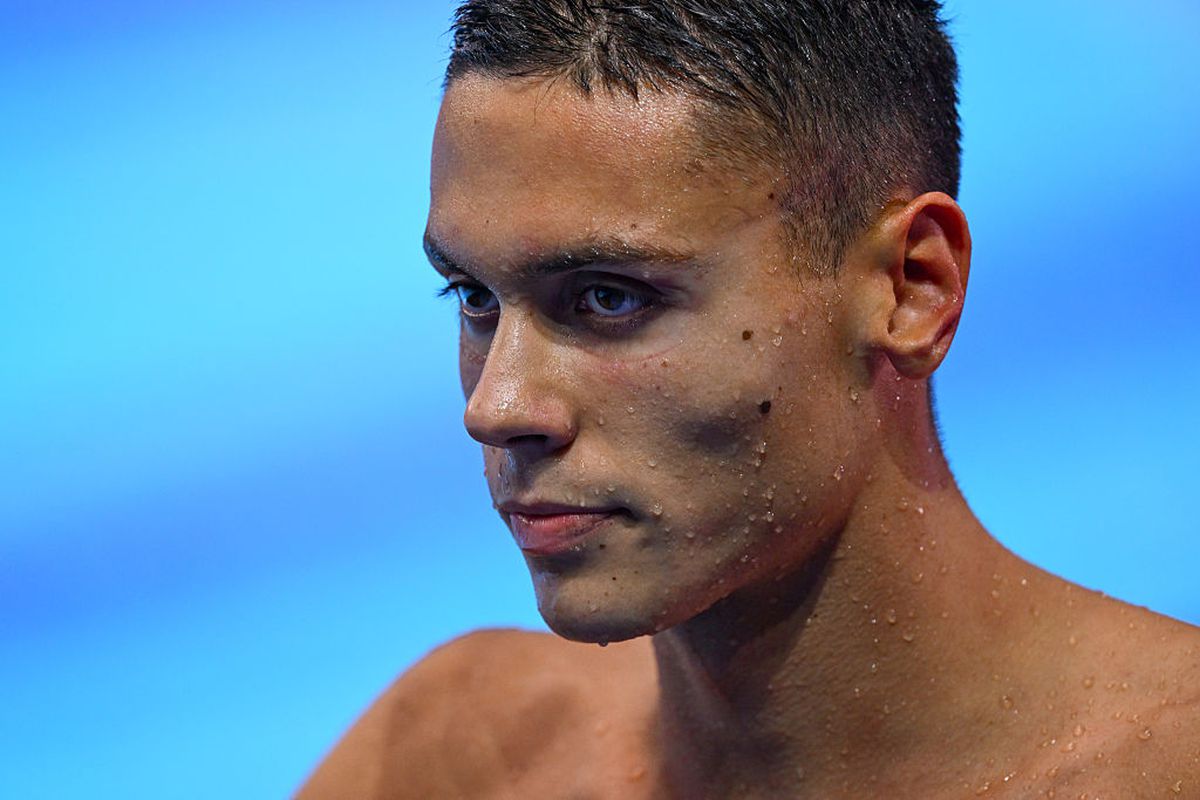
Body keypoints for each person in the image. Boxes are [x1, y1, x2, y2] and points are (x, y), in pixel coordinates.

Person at [298, 1, 1200, 797]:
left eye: (609, 298)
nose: (496, 408)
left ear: (910, 289)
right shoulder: (456, 759)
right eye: (474, 297)